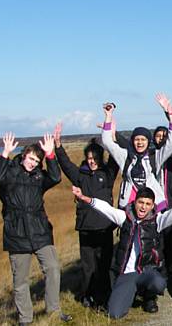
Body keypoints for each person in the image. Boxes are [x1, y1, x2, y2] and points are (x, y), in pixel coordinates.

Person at [72, 185, 172, 318]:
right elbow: (106, 209)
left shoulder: (157, 221)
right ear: (134, 202)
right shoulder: (124, 217)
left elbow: (171, 215)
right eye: (140, 202)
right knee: (114, 313)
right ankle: (130, 292)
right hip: (126, 273)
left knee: (159, 283)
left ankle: (148, 296)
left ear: (152, 206)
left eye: (147, 204)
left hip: (146, 271)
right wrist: (83, 197)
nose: (143, 207)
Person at [0, 132, 72, 324]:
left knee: (52, 268)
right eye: (30, 158)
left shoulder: (39, 176)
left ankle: (53, 311)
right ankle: (25, 319)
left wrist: (50, 155)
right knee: (20, 282)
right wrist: (5, 153)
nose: (32, 163)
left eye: (36, 160)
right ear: (23, 156)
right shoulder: (10, 171)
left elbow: (55, 177)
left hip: (40, 232)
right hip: (16, 233)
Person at [54, 124, 118, 309]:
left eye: (95, 158)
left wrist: (112, 136)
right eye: (89, 158)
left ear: (100, 158)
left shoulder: (108, 173)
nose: (91, 161)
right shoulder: (80, 175)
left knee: (104, 265)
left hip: (104, 228)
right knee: (88, 266)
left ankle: (105, 297)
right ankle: (88, 296)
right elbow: (66, 165)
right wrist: (58, 146)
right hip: (86, 228)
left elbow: (116, 157)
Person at [101, 97, 172, 209]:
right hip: (129, 204)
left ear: (148, 142)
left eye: (143, 140)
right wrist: (108, 117)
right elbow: (107, 142)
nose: (140, 142)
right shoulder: (125, 156)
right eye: (137, 139)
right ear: (132, 141)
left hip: (153, 204)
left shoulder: (154, 156)